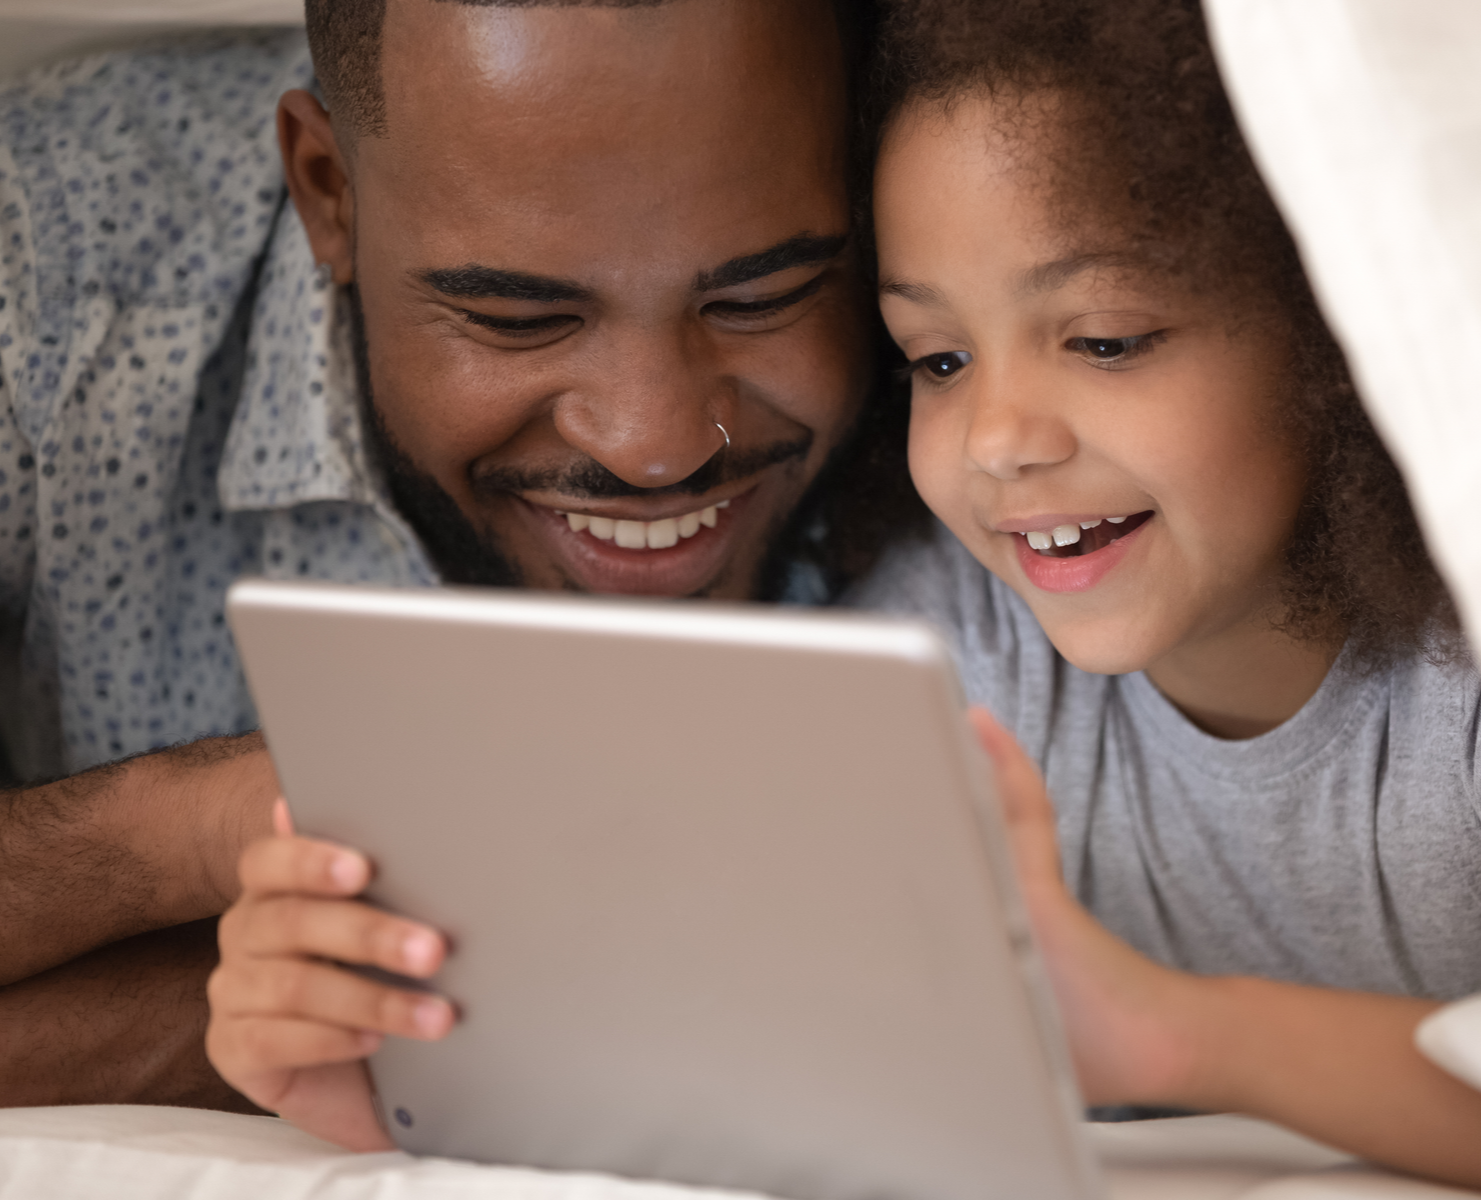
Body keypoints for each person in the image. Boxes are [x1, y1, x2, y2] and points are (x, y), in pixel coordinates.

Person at [0, 0, 912, 1110]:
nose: (655, 445)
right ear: (329, 195)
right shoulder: (39, 273)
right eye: (518, 321)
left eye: (763, 296)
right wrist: (230, 829)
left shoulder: (1019, 318)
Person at [848, 1, 1481, 1198]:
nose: (997, 438)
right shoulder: (942, 649)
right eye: (938, 359)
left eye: (1105, 339)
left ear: (1336, 325)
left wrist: (1174, 1033)